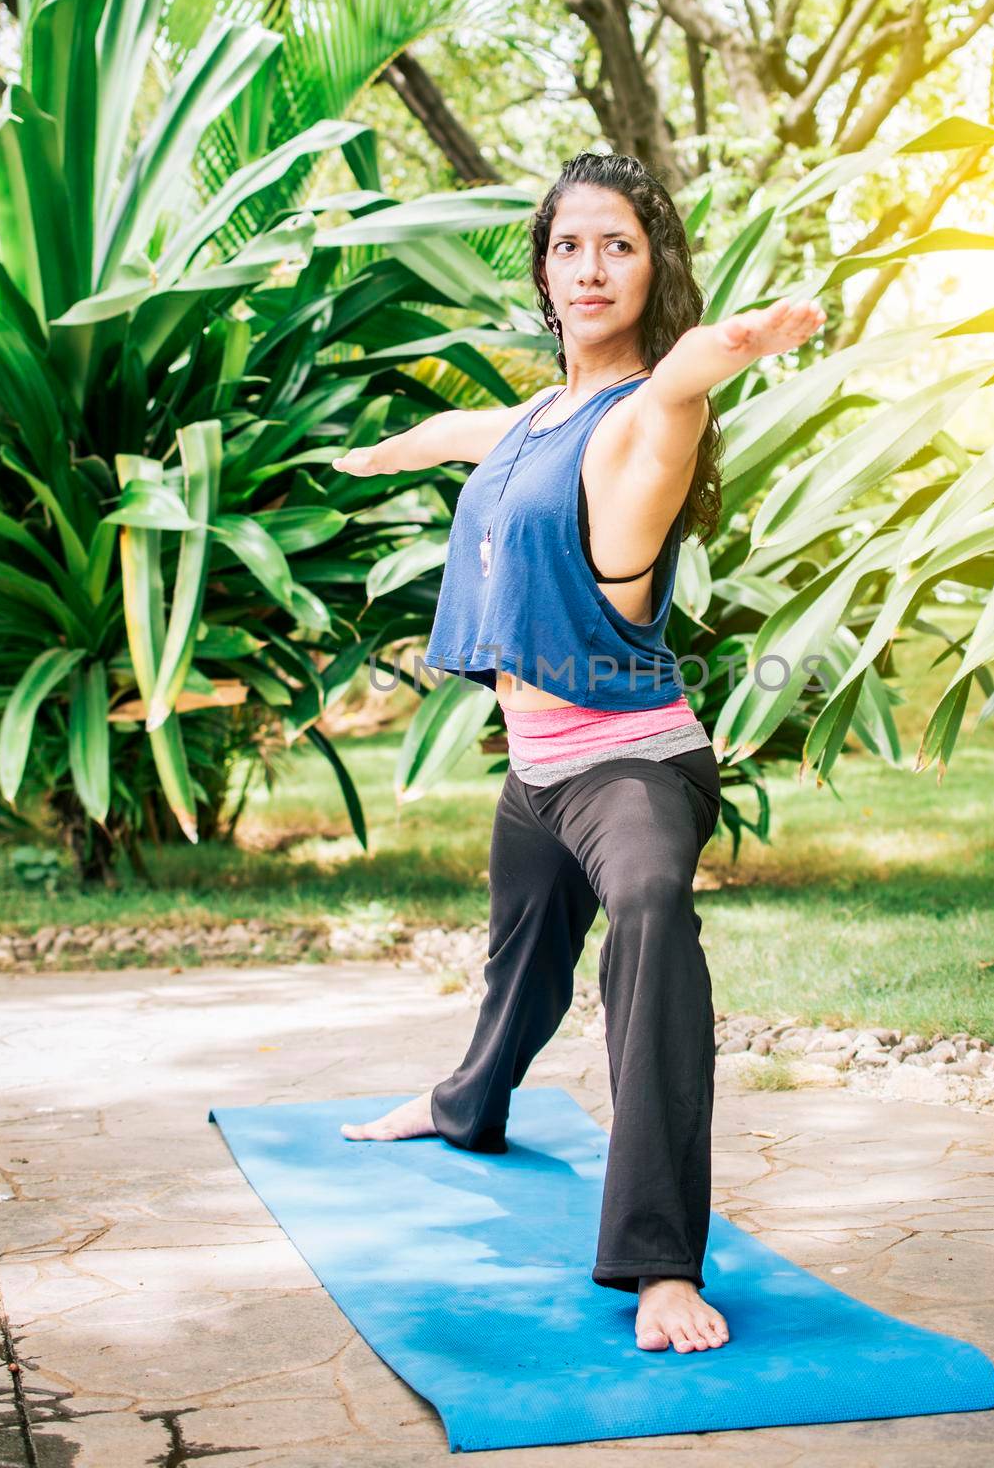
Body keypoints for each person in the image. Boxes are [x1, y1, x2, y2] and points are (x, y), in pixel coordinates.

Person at [333, 151, 824, 1354]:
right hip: (535, 771)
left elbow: (686, 379)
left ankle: (659, 1263)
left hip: (632, 768)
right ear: (545, 271)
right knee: (520, 974)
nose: (589, 266)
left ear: (653, 270)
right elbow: (473, 431)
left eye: (618, 244)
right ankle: (463, 1107)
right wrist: (386, 452)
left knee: (649, 915)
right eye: (567, 245)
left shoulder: (649, 410)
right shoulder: (537, 416)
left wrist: (740, 342)